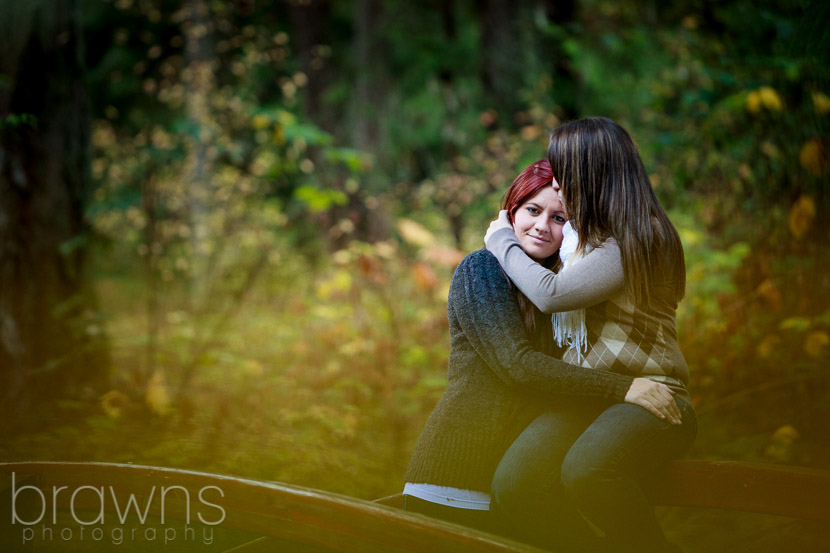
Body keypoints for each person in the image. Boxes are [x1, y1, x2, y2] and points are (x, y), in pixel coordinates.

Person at [402, 159, 680, 539]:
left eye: (559, 218)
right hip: (455, 481)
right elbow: (517, 365)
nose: (542, 226)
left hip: (513, 486)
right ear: (511, 211)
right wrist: (622, 387)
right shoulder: (483, 268)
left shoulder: (559, 286)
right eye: (533, 210)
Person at [484, 117, 696, 553]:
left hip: (653, 399)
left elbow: (552, 295)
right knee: (515, 483)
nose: (558, 185)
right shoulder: (582, 244)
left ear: (590, 173)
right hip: (595, 397)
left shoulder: (640, 237)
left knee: (587, 470)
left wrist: (501, 239)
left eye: (564, 172)